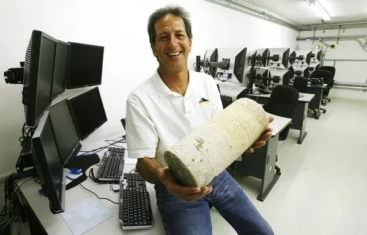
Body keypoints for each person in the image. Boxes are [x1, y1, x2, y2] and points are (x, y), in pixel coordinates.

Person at [125, 5, 274, 235]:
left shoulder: (207, 83)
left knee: (263, 232)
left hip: (218, 175)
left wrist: (244, 139)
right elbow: (143, 162)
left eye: (179, 35)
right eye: (163, 37)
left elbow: (222, 135)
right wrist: (164, 176)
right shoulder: (139, 98)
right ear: (154, 48)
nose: (173, 44)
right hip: (176, 186)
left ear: (190, 42)